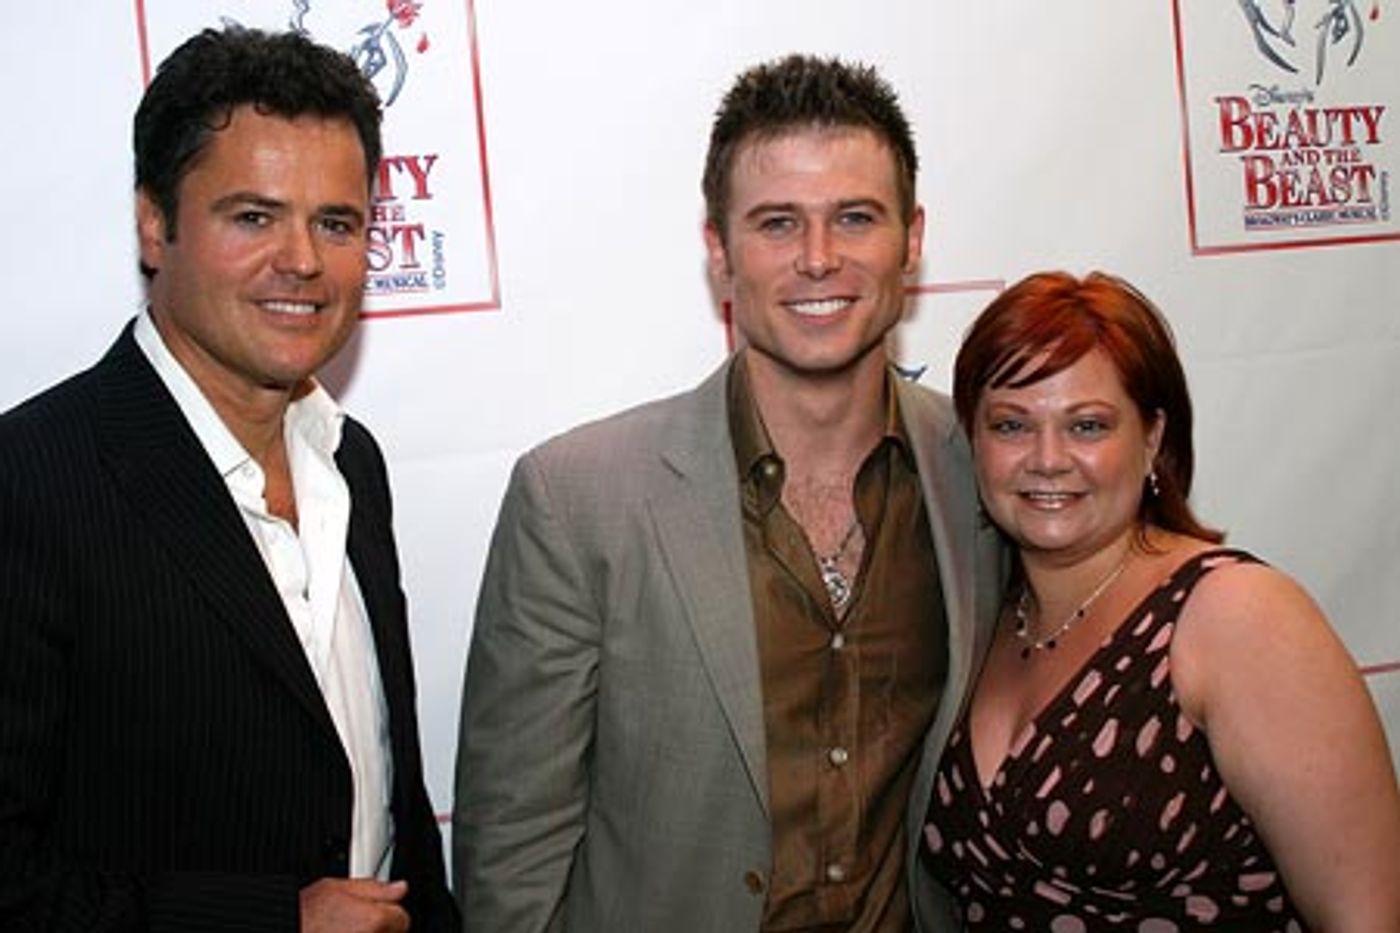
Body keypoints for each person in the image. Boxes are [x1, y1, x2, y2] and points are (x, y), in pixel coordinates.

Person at [453, 54, 1004, 932]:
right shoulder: (577, 499)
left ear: (912, 238)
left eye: (855, 217)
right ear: (719, 250)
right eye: (778, 223)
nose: (818, 258)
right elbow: (511, 856)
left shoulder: (985, 469)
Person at [0, 27, 458, 933]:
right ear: (153, 223)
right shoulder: (29, 484)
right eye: (253, 217)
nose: (303, 259)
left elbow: (394, 808)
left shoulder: (351, 462)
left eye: (336, 223)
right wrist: (277, 921)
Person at [923, 270, 1400, 930]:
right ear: (973, 442)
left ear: (1151, 439)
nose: (1048, 458)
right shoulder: (980, 619)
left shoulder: (1234, 615)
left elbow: (1367, 917)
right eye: (1011, 425)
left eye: (1087, 425)